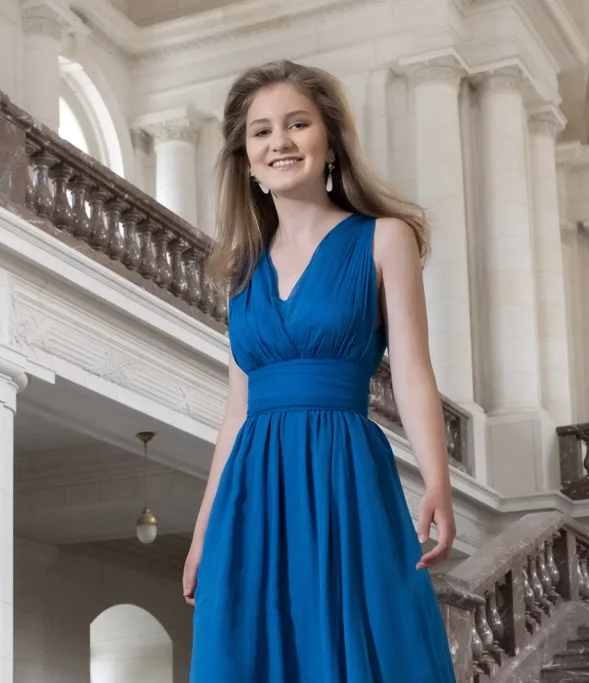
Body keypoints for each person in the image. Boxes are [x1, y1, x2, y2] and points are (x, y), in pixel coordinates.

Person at [182, 59, 458, 683]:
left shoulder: (385, 239)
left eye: (297, 123)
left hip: (344, 473)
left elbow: (413, 374)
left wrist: (438, 482)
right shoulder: (239, 272)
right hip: (252, 488)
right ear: (246, 160)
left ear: (329, 140)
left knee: (357, 639)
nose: (279, 141)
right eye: (261, 132)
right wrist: (203, 533)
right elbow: (235, 413)